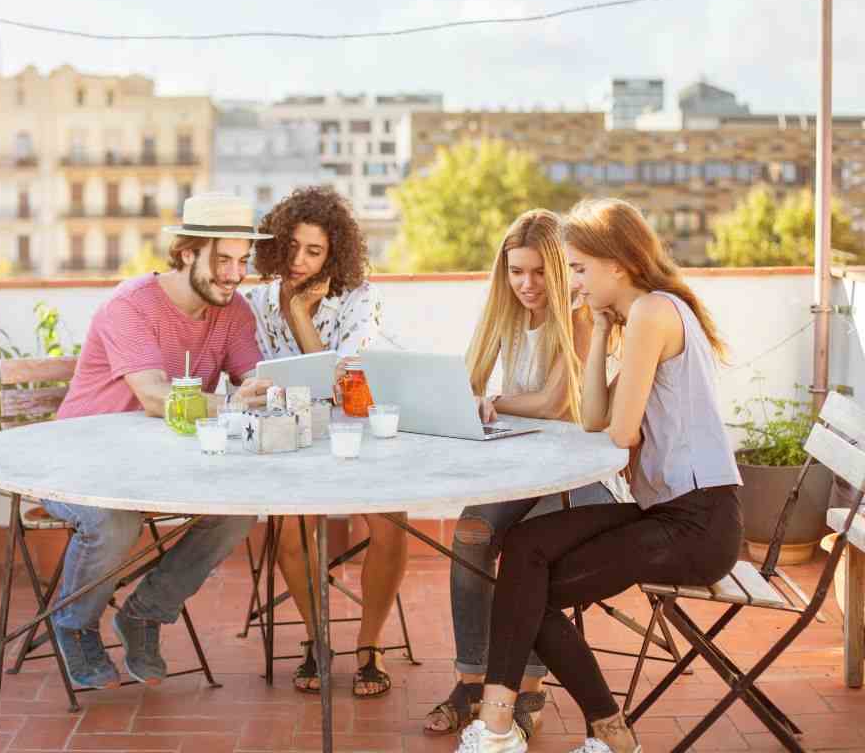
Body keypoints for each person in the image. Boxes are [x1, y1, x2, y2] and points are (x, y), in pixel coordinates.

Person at [457, 197, 743, 753]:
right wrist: (598, 325)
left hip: (699, 523)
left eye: (580, 268)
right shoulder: (637, 316)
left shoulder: (654, 315)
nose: (574, 282)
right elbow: (591, 417)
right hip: (667, 511)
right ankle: (585, 734)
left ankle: (511, 728)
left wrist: (612, 325)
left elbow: (621, 433)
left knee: (524, 595)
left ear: (617, 264)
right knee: (526, 546)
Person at [44, 193, 273, 690]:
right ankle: (72, 622)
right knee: (114, 518)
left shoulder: (231, 311)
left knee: (239, 511)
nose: (235, 275)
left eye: (242, 261)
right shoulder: (131, 306)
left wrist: (263, 385)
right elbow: (153, 395)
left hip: (162, 468)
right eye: (222, 260)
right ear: (187, 252)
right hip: (77, 463)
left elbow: (252, 374)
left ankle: (145, 612)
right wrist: (237, 403)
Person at [424, 209, 625, 739]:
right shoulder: (504, 315)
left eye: (539, 272)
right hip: (525, 468)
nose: (527, 284)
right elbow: (463, 388)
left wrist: (493, 401)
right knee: (471, 532)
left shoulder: (580, 317)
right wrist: (469, 400)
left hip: (582, 478)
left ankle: (528, 689)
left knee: (523, 553)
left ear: (559, 272)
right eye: (516, 272)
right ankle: (472, 681)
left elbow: (558, 401)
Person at [246, 186, 401, 698]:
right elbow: (265, 380)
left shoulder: (361, 299)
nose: (299, 261)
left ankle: (369, 643)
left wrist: (300, 320)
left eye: (314, 251)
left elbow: (345, 386)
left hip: (361, 427)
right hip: (298, 435)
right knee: (289, 532)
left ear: (334, 253)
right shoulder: (258, 301)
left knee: (390, 523)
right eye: (291, 247)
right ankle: (317, 639)